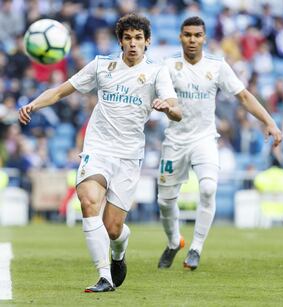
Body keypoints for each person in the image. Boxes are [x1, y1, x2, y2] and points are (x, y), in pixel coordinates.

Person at [18, 13, 182, 292]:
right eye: (127, 38)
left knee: (113, 229)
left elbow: (177, 111)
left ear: (148, 42)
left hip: (129, 156)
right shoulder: (101, 66)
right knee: (89, 202)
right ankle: (104, 276)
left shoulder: (157, 72)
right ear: (120, 41)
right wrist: (33, 104)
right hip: (98, 149)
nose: (133, 44)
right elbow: (60, 91)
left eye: (138, 38)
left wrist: (167, 108)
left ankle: (118, 254)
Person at [157, 16, 282, 271]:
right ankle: (174, 242)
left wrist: (269, 121)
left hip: (204, 138)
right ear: (180, 37)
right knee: (165, 201)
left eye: (197, 35)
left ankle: (196, 249)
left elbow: (244, 96)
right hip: (175, 140)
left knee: (208, 189)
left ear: (204, 38)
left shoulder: (217, 65)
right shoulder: (168, 66)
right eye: (188, 35)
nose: (192, 40)